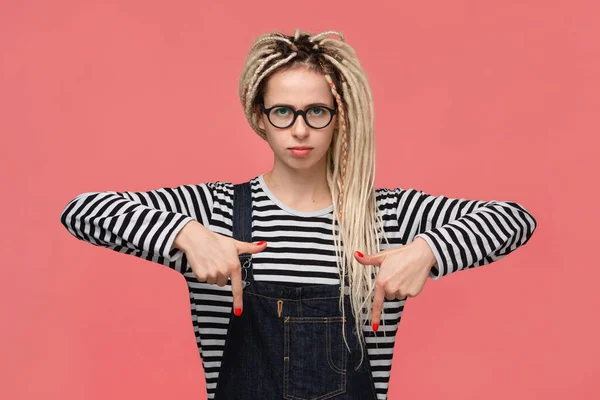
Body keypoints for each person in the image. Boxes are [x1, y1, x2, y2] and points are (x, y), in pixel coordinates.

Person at [59, 28, 537, 400]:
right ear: (260, 117)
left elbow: (516, 220)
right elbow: (81, 211)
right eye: (283, 112)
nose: (300, 130)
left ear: (340, 116)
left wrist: (428, 250)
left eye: (317, 112)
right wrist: (187, 233)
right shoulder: (216, 209)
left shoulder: (386, 215)